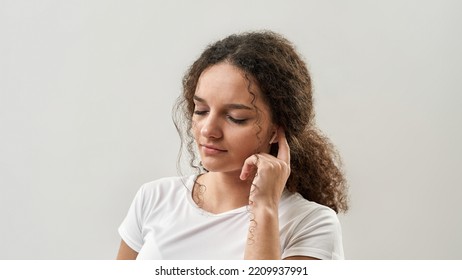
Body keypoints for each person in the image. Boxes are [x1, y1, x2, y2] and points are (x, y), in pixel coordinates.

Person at [116, 31, 349, 260]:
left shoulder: (312, 224)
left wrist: (265, 208)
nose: (208, 130)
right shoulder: (154, 198)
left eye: (236, 117)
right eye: (201, 111)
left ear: (276, 130)